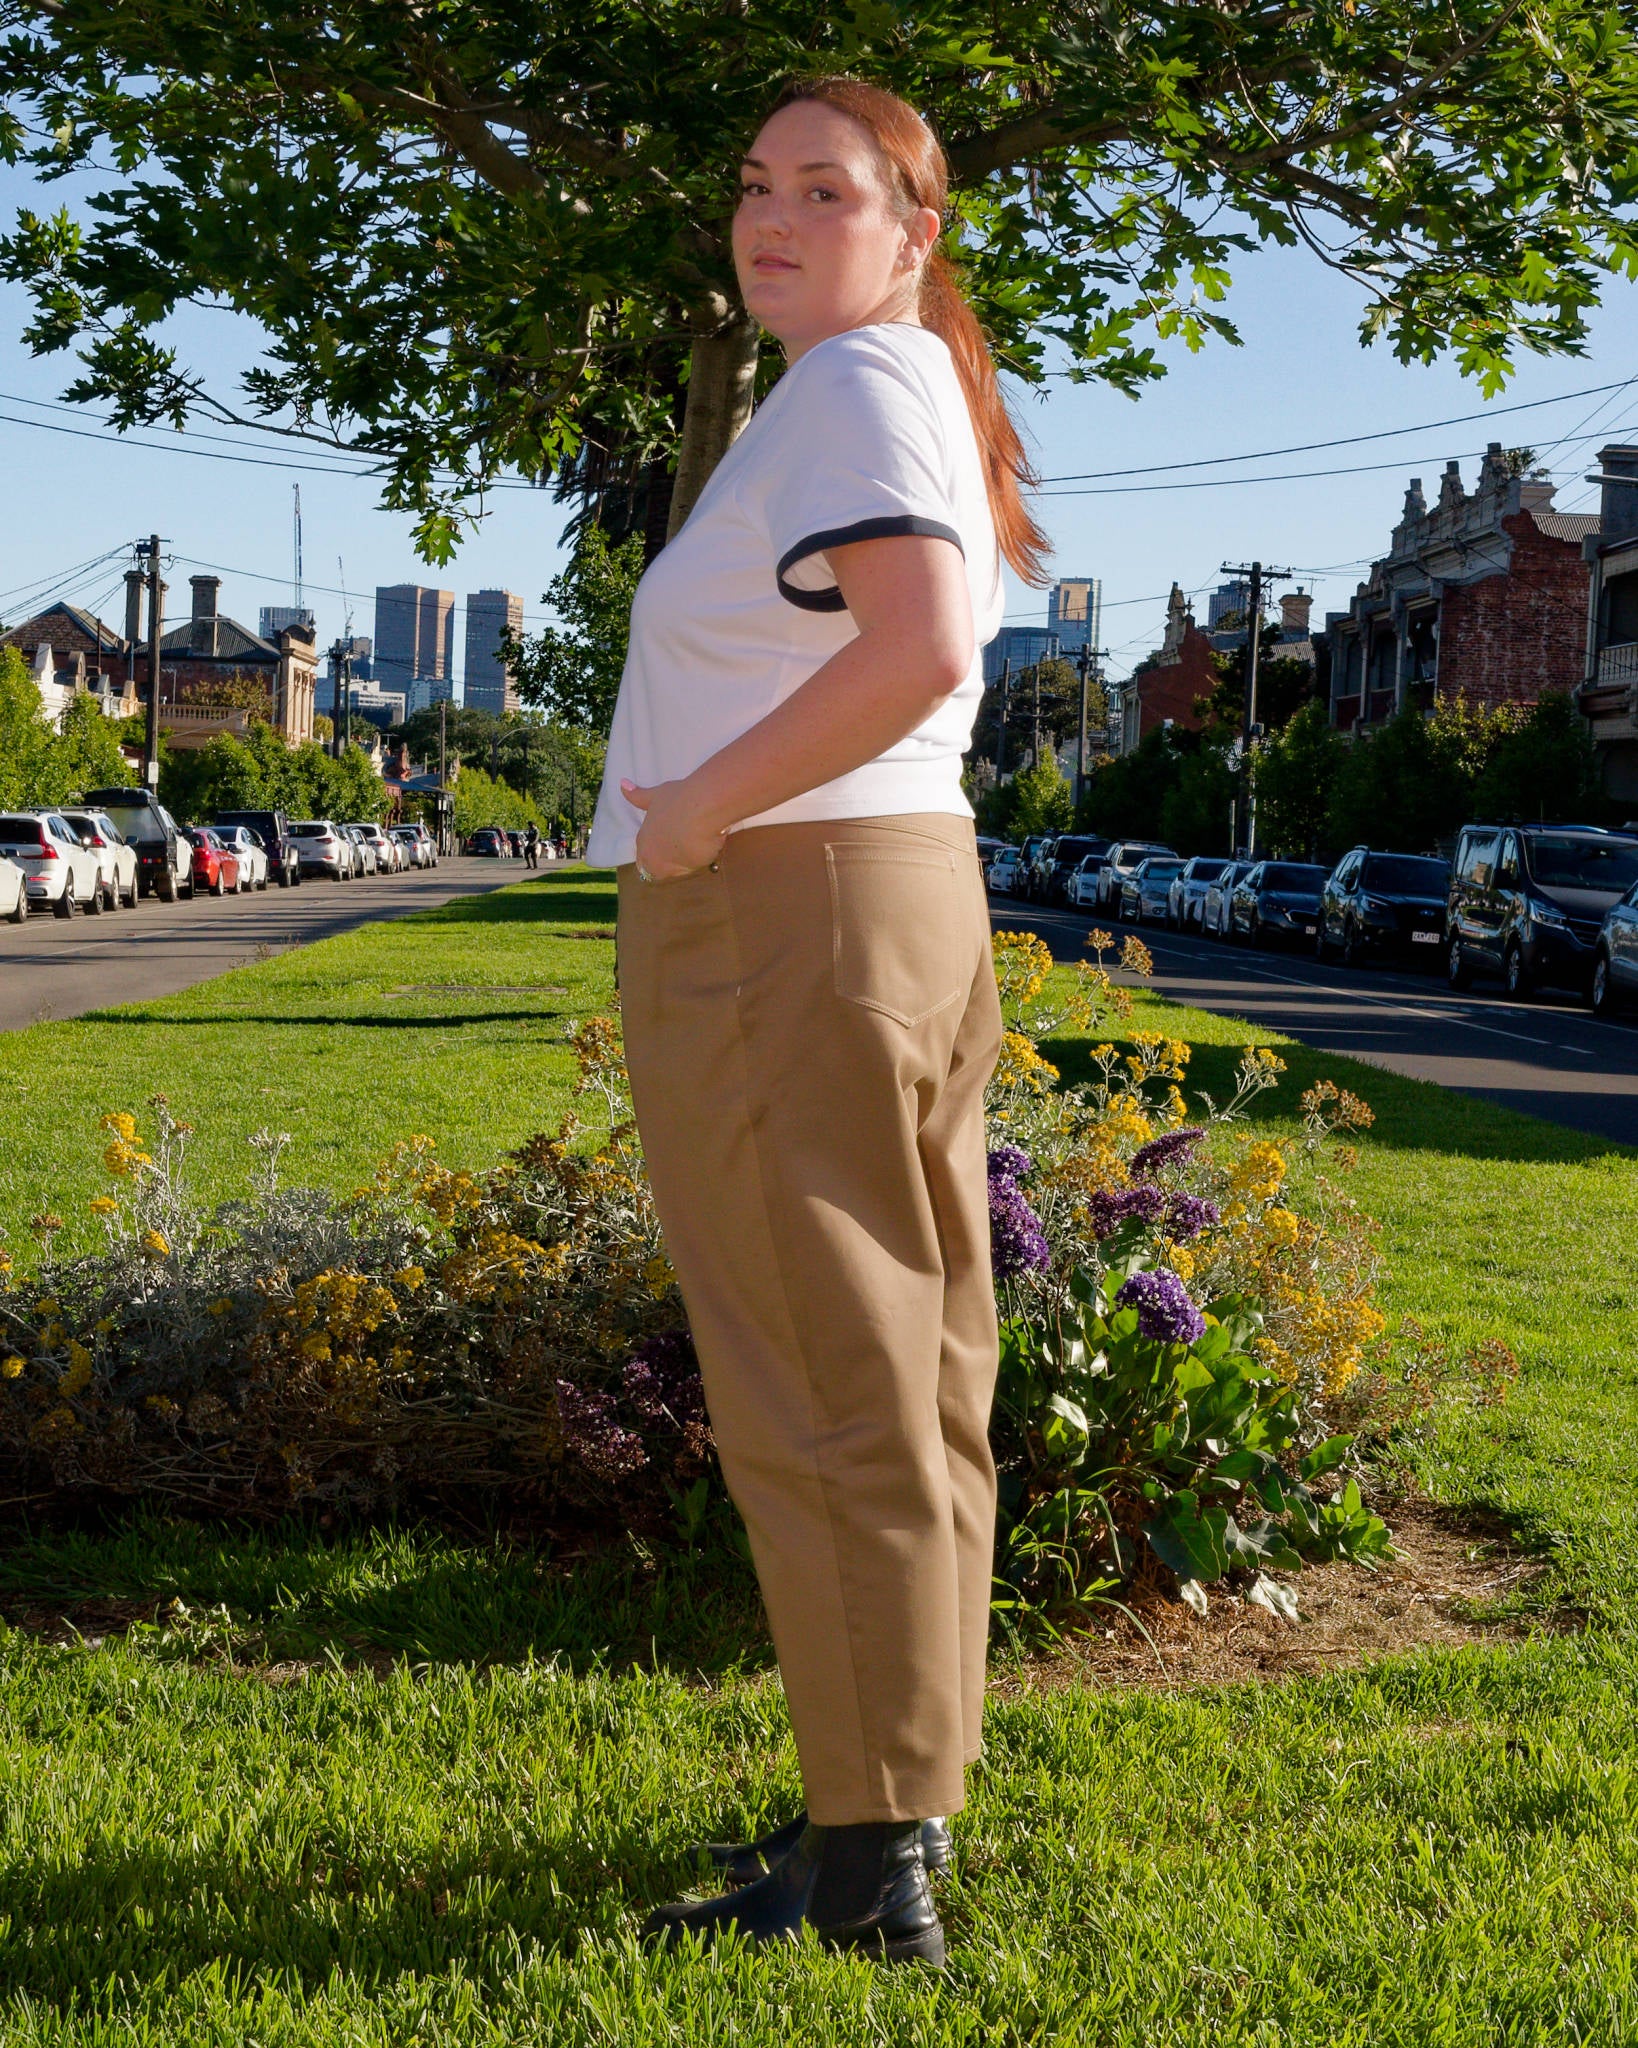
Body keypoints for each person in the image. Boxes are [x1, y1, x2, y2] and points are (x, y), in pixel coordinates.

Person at [583, 73, 1048, 1969]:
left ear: (909, 228)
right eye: (756, 184)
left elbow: (925, 643)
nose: (774, 214)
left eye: (827, 188)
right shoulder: (889, 383)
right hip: (892, 899)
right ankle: (887, 1809)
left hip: (790, 905)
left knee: (817, 1378)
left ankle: (870, 1877)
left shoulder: (858, 386)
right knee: (914, 1377)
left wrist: (694, 811)